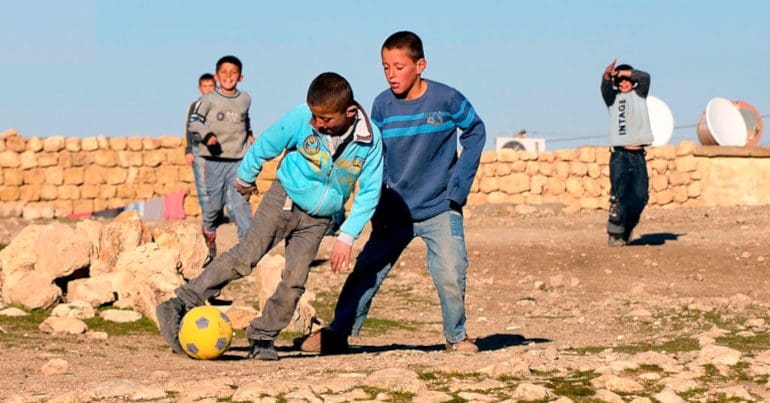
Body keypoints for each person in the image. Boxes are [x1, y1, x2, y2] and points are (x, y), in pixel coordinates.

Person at [156, 72, 384, 360]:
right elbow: (266, 144)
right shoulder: (303, 117)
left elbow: (370, 191)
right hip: (283, 200)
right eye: (314, 117)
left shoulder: (370, 140)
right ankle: (181, 302)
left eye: (325, 120)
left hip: (318, 220)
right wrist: (246, 176)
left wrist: (347, 236)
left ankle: (262, 336)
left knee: (295, 280)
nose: (317, 124)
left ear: (349, 112)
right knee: (245, 257)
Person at [300, 31, 486, 354]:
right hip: (395, 211)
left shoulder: (447, 100)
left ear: (420, 65)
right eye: (385, 67)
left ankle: (457, 338)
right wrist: (379, 207)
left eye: (399, 67)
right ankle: (336, 334)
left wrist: (457, 188)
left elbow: (476, 130)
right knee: (366, 271)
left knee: (451, 272)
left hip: (441, 206)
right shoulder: (382, 106)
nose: (391, 74)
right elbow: (375, 158)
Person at [188, 56, 254, 260]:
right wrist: (207, 136)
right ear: (217, 76)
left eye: (233, 73)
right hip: (215, 160)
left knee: (241, 202)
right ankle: (208, 231)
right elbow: (194, 122)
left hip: (238, 159)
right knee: (214, 205)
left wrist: (250, 134)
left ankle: (246, 248)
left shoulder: (245, 99)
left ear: (240, 77)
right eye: (224, 73)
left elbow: (245, 119)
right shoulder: (209, 99)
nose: (228, 76)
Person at [601, 59, 654, 246]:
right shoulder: (612, 99)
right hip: (619, 156)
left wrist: (625, 73)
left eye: (626, 79)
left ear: (632, 81)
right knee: (619, 194)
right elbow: (605, 87)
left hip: (638, 156)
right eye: (620, 80)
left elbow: (645, 77)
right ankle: (615, 234)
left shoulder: (640, 94)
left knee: (640, 196)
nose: (623, 83)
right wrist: (608, 75)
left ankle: (627, 228)